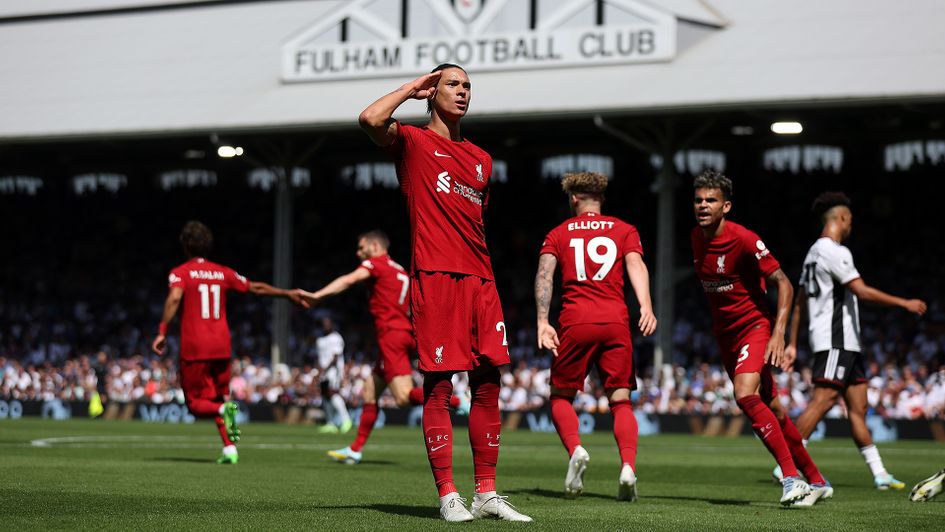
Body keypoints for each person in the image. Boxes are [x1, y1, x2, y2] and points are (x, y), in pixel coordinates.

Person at [358, 63, 531, 522]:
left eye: (468, 86)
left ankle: (487, 493)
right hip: (435, 277)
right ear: (433, 92)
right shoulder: (412, 142)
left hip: (481, 279)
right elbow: (370, 120)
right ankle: (448, 493)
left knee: (489, 382)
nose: (463, 92)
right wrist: (412, 88)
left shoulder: (481, 159)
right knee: (439, 385)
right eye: (453, 84)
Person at [690, 171, 829, 507]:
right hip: (725, 336)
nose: (703, 206)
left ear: (727, 206)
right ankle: (818, 481)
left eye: (711, 200)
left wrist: (777, 333)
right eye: (698, 200)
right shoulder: (696, 237)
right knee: (776, 411)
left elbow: (784, 283)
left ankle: (791, 479)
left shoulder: (745, 239)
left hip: (754, 326)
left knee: (744, 394)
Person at [781, 192, 927, 489]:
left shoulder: (812, 254)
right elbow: (861, 291)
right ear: (842, 218)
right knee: (824, 399)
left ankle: (880, 474)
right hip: (837, 339)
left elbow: (798, 305)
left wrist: (793, 342)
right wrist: (904, 303)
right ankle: (786, 464)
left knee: (857, 407)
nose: (851, 226)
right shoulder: (835, 251)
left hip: (846, 342)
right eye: (850, 221)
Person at [535, 171, 657, 501]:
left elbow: (545, 275)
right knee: (620, 400)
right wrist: (645, 306)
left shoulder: (557, 233)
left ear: (573, 198)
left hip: (576, 320)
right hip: (616, 320)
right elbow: (636, 265)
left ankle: (575, 449)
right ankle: (628, 467)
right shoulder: (624, 229)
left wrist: (542, 321)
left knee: (561, 396)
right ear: (601, 198)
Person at [297, 231, 467, 463]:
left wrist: (318, 295)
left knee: (403, 398)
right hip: (403, 333)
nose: (359, 253)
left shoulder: (375, 264)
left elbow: (349, 280)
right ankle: (355, 449)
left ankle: (460, 402)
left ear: (375, 246)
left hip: (391, 336)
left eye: (361, 247)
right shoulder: (400, 271)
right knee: (370, 390)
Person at [151, 220, 305, 464]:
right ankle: (230, 449)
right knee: (219, 398)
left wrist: (162, 331)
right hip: (222, 346)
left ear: (185, 247)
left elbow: (174, 298)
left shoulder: (180, 273)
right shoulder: (222, 272)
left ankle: (223, 413)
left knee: (195, 404)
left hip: (195, 347)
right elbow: (256, 288)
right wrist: (286, 294)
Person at [315, 315, 352, 434]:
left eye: (328, 323)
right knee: (325, 396)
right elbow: (320, 358)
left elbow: (335, 357)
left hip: (333, 371)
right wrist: (318, 371)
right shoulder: (320, 340)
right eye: (324, 323)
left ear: (332, 324)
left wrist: (324, 369)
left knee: (332, 394)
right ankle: (330, 423)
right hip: (324, 371)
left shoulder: (336, 338)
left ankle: (346, 420)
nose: (325, 325)